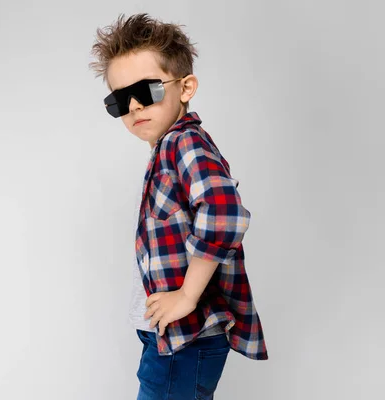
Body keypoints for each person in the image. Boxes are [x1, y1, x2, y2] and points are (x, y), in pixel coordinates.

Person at [89, 13, 269, 399]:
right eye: (121, 99)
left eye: (147, 90)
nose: (135, 106)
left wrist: (187, 295)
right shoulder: (169, 148)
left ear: (186, 87)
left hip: (186, 340)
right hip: (171, 339)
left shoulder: (183, 144)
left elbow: (224, 212)